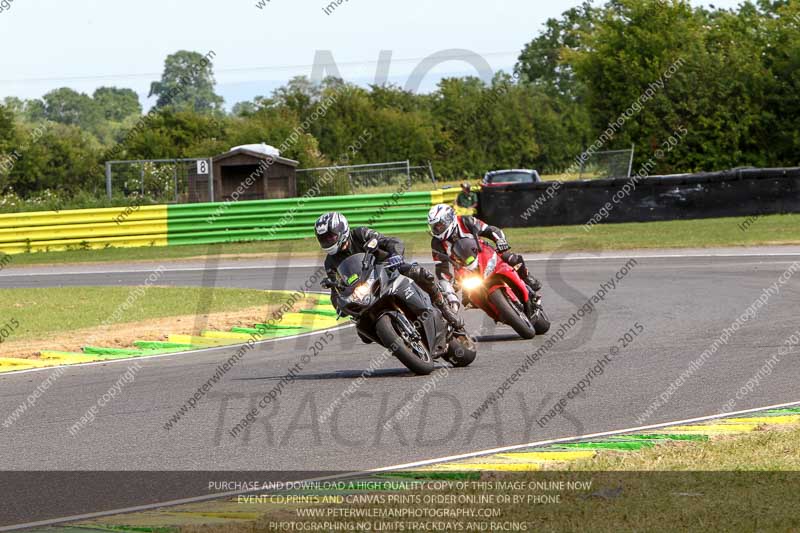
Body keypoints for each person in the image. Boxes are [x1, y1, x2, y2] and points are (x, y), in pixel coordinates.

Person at [315, 212, 465, 331]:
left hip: (388, 268)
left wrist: (396, 255)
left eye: (331, 236)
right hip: (365, 290)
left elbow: (391, 241)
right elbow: (336, 290)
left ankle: (444, 308)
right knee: (362, 328)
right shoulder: (330, 261)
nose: (328, 241)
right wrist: (340, 305)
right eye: (323, 239)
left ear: (342, 230)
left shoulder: (360, 234)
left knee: (419, 273)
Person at [427, 204, 542, 314]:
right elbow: (441, 267)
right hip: (463, 267)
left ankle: (527, 278)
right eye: (434, 227)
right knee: (468, 299)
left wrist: (500, 241)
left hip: (483, 252)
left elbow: (491, 230)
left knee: (510, 258)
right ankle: (497, 312)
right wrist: (448, 283)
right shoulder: (436, 243)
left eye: (439, 225)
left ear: (448, 219)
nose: (437, 229)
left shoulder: (465, 221)